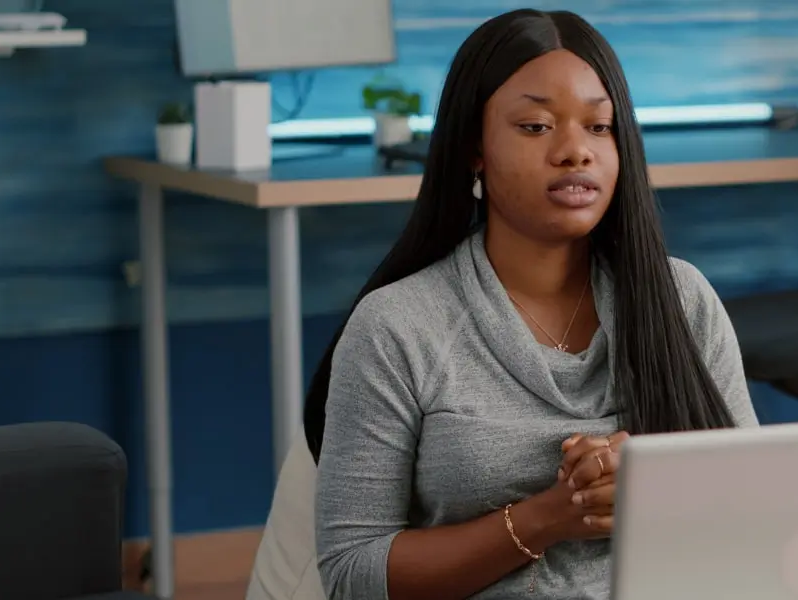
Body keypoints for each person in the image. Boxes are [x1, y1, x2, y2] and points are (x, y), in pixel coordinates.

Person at [304, 8, 759, 600]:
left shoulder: (680, 298)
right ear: (475, 149)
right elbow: (351, 573)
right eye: (536, 127)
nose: (576, 151)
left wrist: (659, 481)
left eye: (599, 127)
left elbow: (756, 508)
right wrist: (551, 516)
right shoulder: (398, 326)